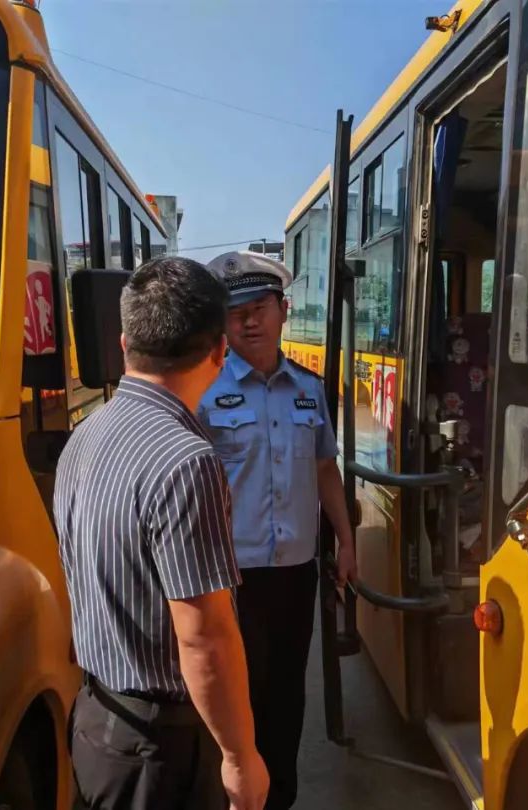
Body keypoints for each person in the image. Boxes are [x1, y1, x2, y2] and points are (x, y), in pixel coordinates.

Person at [54, 256, 269, 810]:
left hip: (97, 721)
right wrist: (239, 757)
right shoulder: (185, 461)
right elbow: (204, 637)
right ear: (219, 352)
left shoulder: (85, 434)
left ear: (125, 343)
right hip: (159, 748)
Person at [197, 250, 357, 810]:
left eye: (259, 308)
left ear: (283, 311)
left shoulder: (309, 390)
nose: (248, 322)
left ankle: (278, 798)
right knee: (235, 697)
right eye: (235, 312)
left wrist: (346, 540)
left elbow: (324, 468)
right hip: (229, 577)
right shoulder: (202, 394)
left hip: (294, 572)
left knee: (287, 695)